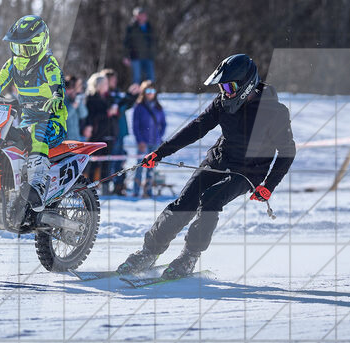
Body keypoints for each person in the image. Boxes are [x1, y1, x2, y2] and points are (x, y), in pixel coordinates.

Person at [118, 54, 295, 280]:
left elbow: (288, 152)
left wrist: (269, 185)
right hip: (219, 159)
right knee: (185, 201)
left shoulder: (275, 112)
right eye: (221, 87)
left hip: (248, 172)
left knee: (211, 200)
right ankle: (149, 252)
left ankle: (189, 256)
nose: (224, 92)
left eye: (229, 86)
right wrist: (160, 153)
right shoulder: (222, 103)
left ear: (246, 84)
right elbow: (196, 128)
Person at [0, 15, 67, 212]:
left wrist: (56, 96)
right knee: (6, 139)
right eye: (18, 47)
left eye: (27, 48)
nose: (22, 53)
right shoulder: (12, 64)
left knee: (38, 134)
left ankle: (38, 186)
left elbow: (57, 84)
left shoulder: (48, 64)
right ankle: (3, 186)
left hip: (52, 122)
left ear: (41, 43)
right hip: (26, 121)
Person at [132, 80, 166, 197]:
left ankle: (148, 191)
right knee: (140, 167)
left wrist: (159, 136)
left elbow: (163, 124)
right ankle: (136, 191)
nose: (150, 93)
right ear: (143, 92)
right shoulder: (139, 107)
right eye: (148, 90)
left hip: (155, 142)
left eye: (152, 90)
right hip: (143, 142)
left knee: (151, 168)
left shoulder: (158, 107)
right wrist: (139, 140)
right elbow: (135, 126)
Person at [83, 72, 117, 189]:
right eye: (105, 83)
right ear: (98, 85)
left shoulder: (108, 98)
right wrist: (107, 113)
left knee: (107, 163)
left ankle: (106, 187)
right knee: (93, 163)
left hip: (110, 134)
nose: (107, 85)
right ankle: (91, 188)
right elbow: (92, 117)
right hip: (97, 135)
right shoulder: (91, 99)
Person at [123, 7, 156, 84]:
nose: (142, 16)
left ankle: (150, 94)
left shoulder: (149, 27)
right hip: (135, 56)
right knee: (136, 78)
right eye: (140, 15)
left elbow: (154, 41)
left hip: (148, 56)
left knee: (150, 78)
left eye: (143, 14)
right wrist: (125, 56)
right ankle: (136, 94)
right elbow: (126, 43)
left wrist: (153, 53)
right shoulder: (131, 27)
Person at [64, 74, 87, 141]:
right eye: (78, 87)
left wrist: (78, 102)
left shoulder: (75, 99)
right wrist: (73, 106)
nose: (79, 90)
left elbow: (83, 114)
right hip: (64, 140)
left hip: (75, 139)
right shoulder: (61, 99)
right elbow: (64, 117)